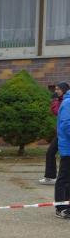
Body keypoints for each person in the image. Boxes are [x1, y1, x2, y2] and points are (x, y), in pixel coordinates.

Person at [42, 82, 69, 185]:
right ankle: (50, 176)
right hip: (62, 133)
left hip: (65, 134)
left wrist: (55, 102)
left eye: (58, 89)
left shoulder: (65, 101)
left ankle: (52, 177)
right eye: (55, 89)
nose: (56, 91)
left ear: (64, 90)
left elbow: (57, 112)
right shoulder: (60, 100)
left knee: (59, 156)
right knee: (50, 152)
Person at [55, 85, 70, 219]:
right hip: (68, 148)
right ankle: (61, 208)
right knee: (64, 179)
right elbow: (66, 125)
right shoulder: (67, 103)